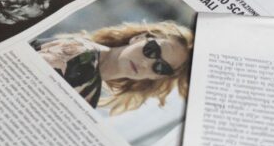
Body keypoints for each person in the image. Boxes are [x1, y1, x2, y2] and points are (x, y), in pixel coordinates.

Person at [34, 20, 193, 114]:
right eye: (152, 50)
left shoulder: (92, 88)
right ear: (139, 38)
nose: (146, 63)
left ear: (157, 77)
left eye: (160, 68)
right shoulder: (83, 54)